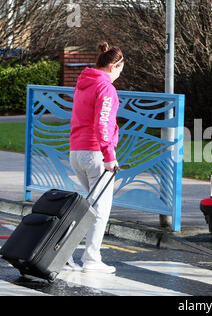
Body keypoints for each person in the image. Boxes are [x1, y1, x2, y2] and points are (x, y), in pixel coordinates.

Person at [67, 41, 124, 273]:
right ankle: (91, 258)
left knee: (88, 205)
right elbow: (102, 123)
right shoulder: (106, 88)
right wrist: (109, 156)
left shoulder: (83, 83)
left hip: (76, 152)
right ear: (113, 66)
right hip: (96, 155)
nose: (121, 73)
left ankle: (65, 250)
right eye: (121, 68)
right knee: (100, 208)